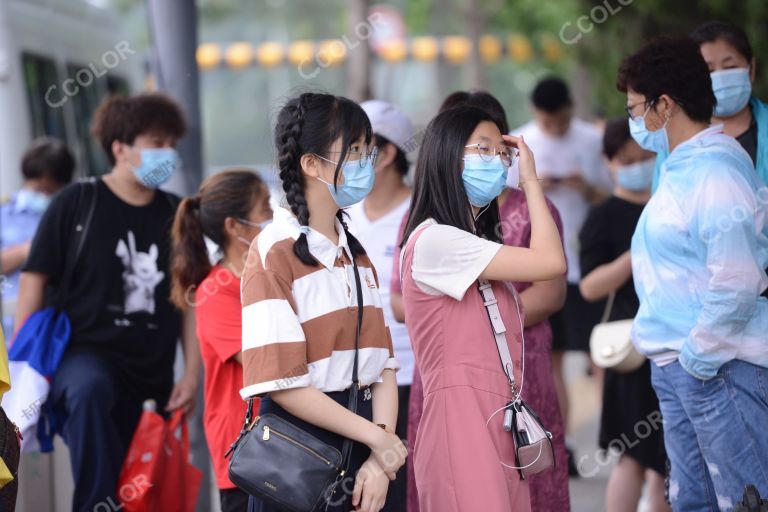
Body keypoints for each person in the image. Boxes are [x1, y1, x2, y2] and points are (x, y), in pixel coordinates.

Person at [14, 93, 201, 511]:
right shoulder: (75, 203)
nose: (166, 153)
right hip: (83, 360)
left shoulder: (178, 216)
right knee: (92, 393)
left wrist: (190, 375)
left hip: (151, 375)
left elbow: (189, 300)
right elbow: (33, 280)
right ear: (120, 148)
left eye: (171, 142)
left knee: (141, 485)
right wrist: (23, 366)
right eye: (156, 142)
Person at [400, 90, 570, 512]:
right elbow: (552, 262)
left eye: (503, 152)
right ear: (446, 157)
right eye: (484, 149)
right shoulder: (436, 240)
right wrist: (530, 179)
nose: (497, 159)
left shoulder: (466, 243)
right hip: (461, 419)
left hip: (496, 414)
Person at [619, 37, 768, 509]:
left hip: (717, 368)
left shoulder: (714, 173)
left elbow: (738, 278)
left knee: (744, 501)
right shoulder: (683, 167)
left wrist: (698, 360)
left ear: (665, 105)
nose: (634, 122)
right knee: (695, 503)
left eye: (636, 108)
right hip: (686, 368)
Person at [241, 92, 406, 512]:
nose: (367, 163)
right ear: (311, 164)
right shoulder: (272, 252)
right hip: (300, 449)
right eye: (354, 152)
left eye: (368, 151)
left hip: (364, 441)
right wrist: (379, 440)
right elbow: (284, 384)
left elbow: (383, 365)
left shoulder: (354, 249)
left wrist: (379, 456)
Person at [512, 78, 611, 469]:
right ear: (537, 114)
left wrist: (584, 188)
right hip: (543, 271)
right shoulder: (522, 140)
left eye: (559, 119)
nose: (552, 127)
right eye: (546, 121)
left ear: (571, 107)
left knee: (601, 353)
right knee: (552, 361)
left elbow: (615, 193)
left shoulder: (592, 139)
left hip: (588, 265)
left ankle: (612, 437)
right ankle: (563, 440)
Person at [578, 118, 668, 512]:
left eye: (645, 157)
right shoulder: (602, 216)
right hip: (630, 352)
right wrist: (634, 255)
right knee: (633, 456)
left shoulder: (670, 202)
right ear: (610, 162)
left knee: (669, 459)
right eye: (627, 160)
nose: (638, 165)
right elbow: (589, 286)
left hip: (674, 342)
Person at [170, 169, 272, 512]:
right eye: (265, 207)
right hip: (248, 453)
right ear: (234, 226)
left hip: (282, 444)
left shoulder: (269, 276)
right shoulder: (216, 292)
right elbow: (262, 360)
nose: (273, 216)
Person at [346, 99, 414, 511]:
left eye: (355, 148)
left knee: (402, 494)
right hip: (353, 383)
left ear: (385, 154)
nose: (345, 160)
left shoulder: (422, 213)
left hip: (409, 378)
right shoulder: (342, 214)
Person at [650, 21, 768, 191]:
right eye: (708, 71)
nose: (720, 76)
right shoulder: (677, 140)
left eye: (730, 67)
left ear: (751, 69)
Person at [0, 137, 74, 335]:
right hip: (10, 321)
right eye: (38, 189)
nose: (43, 196)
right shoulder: (5, 212)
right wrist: (28, 251)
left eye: (50, 190)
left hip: (60, 322)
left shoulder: (73, 214)